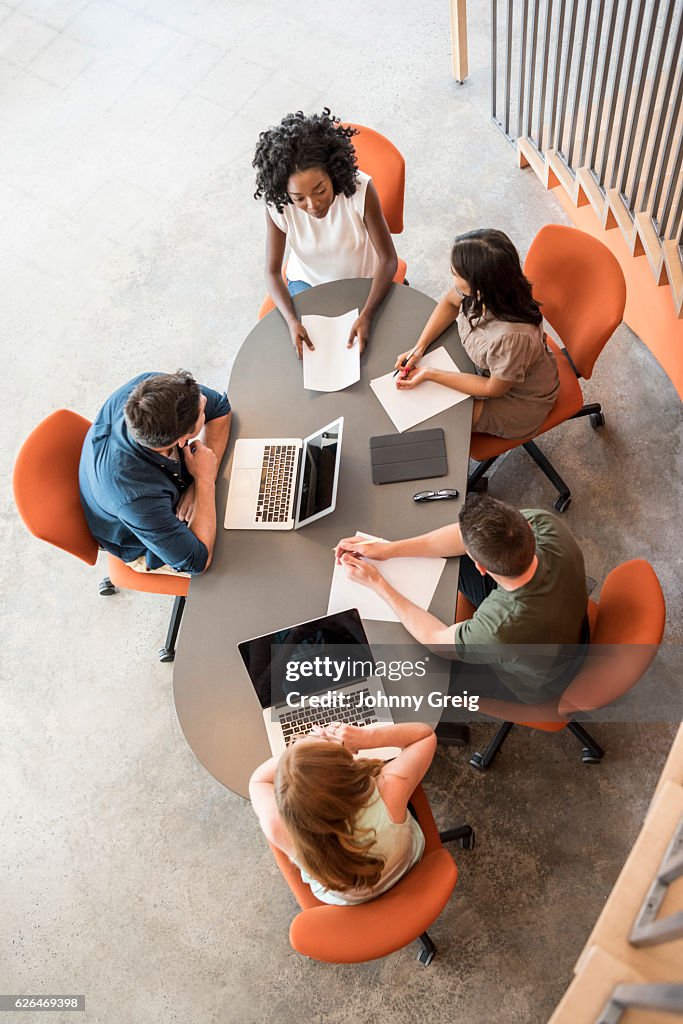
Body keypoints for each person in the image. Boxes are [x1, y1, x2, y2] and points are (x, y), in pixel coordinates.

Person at [335, 495, 589, 711]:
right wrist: (388, 550)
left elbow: (437, 641)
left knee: (419, 666)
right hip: (568, 621)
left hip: (539, 682)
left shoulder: (498, 627)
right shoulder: (544, 523)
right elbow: (460, 538)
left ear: (480, 567)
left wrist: (378, 583)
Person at [253, 108, 398, 359]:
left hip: (362, 280)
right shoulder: (279, 206)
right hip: (308, 283)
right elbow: (272, 271)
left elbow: (389, 260)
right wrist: (290, 320)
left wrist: (366, 314)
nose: (312, 205)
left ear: (333, 173)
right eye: (299, 198)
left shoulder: (360, 190)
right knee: (313, 358)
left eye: (320, 190)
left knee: (374, 355)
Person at [395, 229, 560, 439]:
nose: (452, 275)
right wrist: (419, 348)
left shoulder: (511, 338)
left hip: (517, 399)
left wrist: (430, 373)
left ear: (480, 285)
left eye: (456, 274)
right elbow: (449, 302)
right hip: (491, 371)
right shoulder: (492, 288)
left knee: (436, 418)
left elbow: (494, 389)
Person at [249, 722, 435, 906]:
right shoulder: (389, 789)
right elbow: (425, 736)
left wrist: (297, 757)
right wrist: (367, 738)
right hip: (405, 866)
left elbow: (258, 781)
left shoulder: (279, 828)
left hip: (346, 900)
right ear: (349, 771)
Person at [79, 370, 231, 576]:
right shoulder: (136, 498)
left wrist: (196, 487)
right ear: (181, 440)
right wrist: (204, 480)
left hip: (153, 492)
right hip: (141, 540)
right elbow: (197, 561)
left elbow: (221, 409)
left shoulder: (151, 392)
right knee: (233, 555)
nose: (205, 399)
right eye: (202, 410)